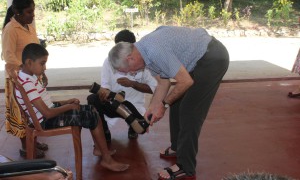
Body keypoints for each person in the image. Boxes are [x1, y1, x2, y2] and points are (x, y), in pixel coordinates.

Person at [108, 26, 229, 180]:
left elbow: (185, 82)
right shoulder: (145, 55)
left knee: (190, 112)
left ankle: (186, 167)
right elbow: (163, 84)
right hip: (197, 60)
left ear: (130, 58)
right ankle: (177, 147)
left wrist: (163, 105)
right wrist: (151, 109)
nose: (131, 74)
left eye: (127, 70)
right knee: (177, 102)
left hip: (212, 58)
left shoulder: (154, 51)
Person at [15, 43, 129, 172]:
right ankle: (107, 160)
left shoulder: (28, 77)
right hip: (46, 121)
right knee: (92, 115)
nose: (45, 67)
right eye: (42, 63)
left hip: (47, 114)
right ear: (29, 62)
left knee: (91, 109)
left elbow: (46, 104)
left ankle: (99, 149)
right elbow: (47, 113)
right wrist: (69, 106)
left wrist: (66, 102)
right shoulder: (27, 84)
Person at [87, 29, 157, 141]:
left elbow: (154, 88)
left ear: (132, 48)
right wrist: (103, 94)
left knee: (142, 128)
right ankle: (104, 132)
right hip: (114, 103)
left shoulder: (143, 62)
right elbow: (105, 86)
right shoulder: (109, 61)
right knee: (92, 99)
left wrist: (133, 84)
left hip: (133, 107)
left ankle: (133, 128)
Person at [1, 0, 48, 158]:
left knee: (33, 112)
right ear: (17, 11)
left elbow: (36, 54)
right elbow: (9, 57)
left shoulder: (29, 27)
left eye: (33, 11)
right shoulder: (10, 29)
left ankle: (33, 141)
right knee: (23, 116)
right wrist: (26, 70)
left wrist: (41, 71)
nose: (32, 15)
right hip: (18, 80)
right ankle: (26, 147)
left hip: (32, 77)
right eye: (29, 12)